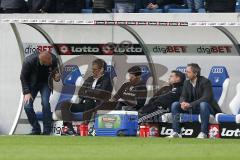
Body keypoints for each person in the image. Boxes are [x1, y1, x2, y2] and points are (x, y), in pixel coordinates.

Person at [168, 63, 222, 139]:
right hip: (193, 108)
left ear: (195, 73)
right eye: (186, 71)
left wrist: (190, 104)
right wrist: (182, 103)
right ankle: (176, 132)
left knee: (203, 104)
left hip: (207, 109)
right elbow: (183, 96)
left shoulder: (205, 82)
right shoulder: (186, 82)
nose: (186, 73)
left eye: (188, 72)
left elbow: (206, 98)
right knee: (175, 105)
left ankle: (204, 133)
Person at [20, 51, 58, 135]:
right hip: (32, 84)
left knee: (46, 104)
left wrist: (57, 78)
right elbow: (23, 77)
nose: (51, 62)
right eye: (49, 61)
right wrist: (27, 92)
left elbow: (56, 75)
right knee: (27, 106)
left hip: (46, 83)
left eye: (51, 60)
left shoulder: (54, 59)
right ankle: (36, 129)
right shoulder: (28, 61)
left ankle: (47, 130)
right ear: (43, 61)